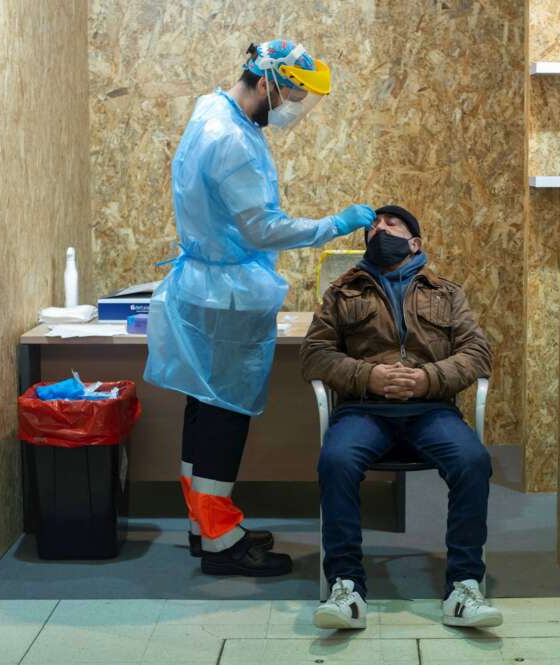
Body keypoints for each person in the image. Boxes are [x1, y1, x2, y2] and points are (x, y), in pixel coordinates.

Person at [144, 39, 376, 578]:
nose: (294, 106)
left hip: (205, 287)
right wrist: (334, 225)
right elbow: (262, 227)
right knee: (225, 417)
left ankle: (205, 526)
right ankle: (223, 543)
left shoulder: (213, 110)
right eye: (293, 93)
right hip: (226, 296)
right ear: (268, 82)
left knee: (204, 408)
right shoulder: (232, 140)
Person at [301, 206, 503, 630]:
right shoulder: (343, 292)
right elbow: (314, 355)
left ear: (415, 243)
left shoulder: (446, 293)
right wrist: (368, 376)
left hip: (431, 409)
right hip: (363, 410)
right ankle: (346, 588)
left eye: (390, 226)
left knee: (473, 461)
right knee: (335, 461)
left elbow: (477, 353)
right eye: (373, 226)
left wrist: (427, 380)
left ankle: (464, 586)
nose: (378, 229)